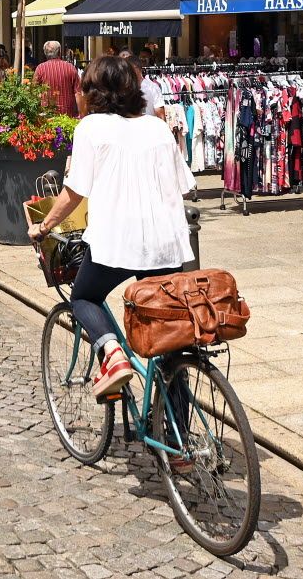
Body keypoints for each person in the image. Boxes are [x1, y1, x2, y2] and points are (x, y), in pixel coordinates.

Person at [29, 56, 194, 399]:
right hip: (166, 242)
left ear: (94, 93)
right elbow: (182, 185)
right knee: (167, 335)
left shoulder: (91, 127)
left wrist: (44, 226)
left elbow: (74, 192)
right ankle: (179, 446)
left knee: (84, 297)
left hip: (117, 241)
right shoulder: (157, 127)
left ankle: (113, 355)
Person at [33, 41, 83, 118]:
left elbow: (34, 92)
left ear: (45, 53)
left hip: (47, 115)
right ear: (59, 52)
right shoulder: (70, 68)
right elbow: (78, 93)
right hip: (67, 115)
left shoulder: (40, 68)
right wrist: (82, 114)